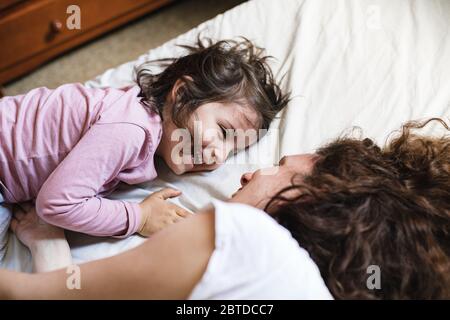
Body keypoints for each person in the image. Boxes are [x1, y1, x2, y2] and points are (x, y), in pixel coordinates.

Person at [1, 119, 448, 299]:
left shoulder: (250, 241)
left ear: (309, 197)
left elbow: (27, 296)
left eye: (275, 167)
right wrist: (49, 243)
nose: (245, 173)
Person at [0, 38, 290, 262]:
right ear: (183, 93)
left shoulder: (142, 123)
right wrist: (140, 217)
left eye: (232, 150)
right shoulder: (130, 129)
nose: (219, 155)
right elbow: (57, 204)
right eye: (224, 132)